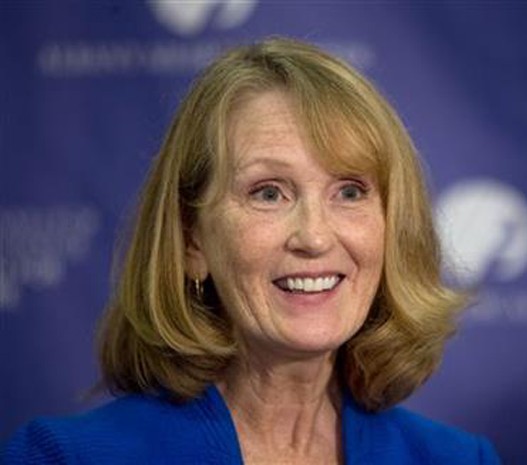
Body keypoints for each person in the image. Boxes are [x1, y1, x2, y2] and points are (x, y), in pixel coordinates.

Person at [2, 37, 501, 464]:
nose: (315, 237)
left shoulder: (458, 459)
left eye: (349, 191)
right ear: (192, 240)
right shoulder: (67, 458)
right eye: (268, 193)